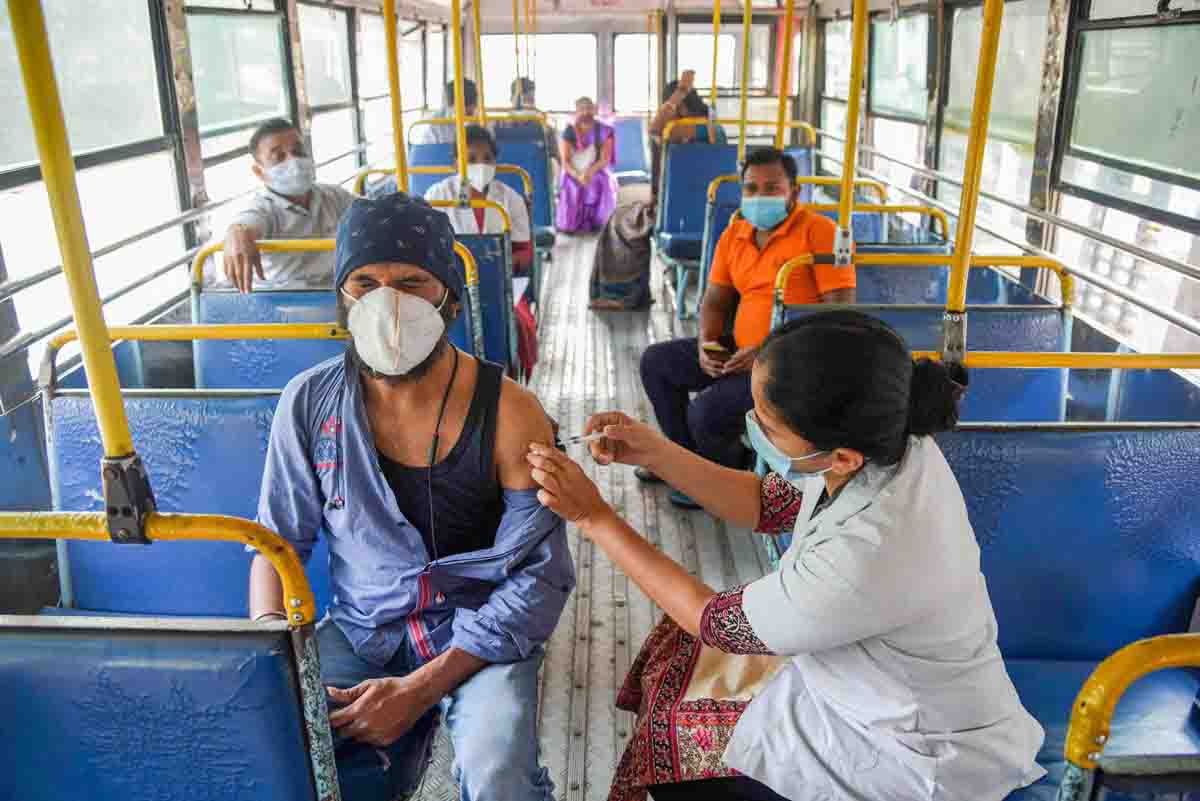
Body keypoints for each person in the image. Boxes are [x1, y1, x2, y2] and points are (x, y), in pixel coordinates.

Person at [527, 311, 1046, 801]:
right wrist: (656, 450)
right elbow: (763, 503)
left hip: (909, 747)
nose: (752, 424)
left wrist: (593, 517)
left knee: (676, 736)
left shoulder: (867, 551)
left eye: (768, 426)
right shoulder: (887, 446)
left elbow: (714, 622)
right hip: (866, 680)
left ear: (842, 455)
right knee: (675, 658)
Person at [248, 194, 573, 801]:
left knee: (498, 771)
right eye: (364, 283)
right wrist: (277, 654)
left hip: (479, 633)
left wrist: (420, 690)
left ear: (447, 295)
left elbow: (538, 578)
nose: (386, 303)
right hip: (365, 627)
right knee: (280, 751)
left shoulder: (509, 411)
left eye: (410, 282)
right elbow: (277, 545)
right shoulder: (310, 403)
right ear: (341, 296)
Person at [638, 147, 857, 508]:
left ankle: (724, 477)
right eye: (751, 188)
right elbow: (715, 298)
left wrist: (768, 351)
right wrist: (707, 343)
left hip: (790, 363)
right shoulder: (736, 231)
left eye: (771, 188)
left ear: (794, 193)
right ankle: (685, 463)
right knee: (657, 362)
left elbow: (840, 312)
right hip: (739, 349)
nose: (759, 197)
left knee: (707, 411)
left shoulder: (820, 232)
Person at [589, 71, 725, 310]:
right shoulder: (716, 127)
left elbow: (655, 129)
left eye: (669, 104)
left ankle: (622, 293)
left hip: (680, 216)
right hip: (711, 211)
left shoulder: (685, 129)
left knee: (620, 222)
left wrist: (678, 94)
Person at [425, 125, 538, 378]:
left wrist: (499, 264)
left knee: (520, 325)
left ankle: (509, 377)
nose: (480, 164)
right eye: (471, 158)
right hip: (449, 286)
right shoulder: (437, 196)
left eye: (487, 158)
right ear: (456, 163)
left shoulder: (510, 199)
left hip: (502, 286)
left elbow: (524, 252)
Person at [217, 118, 356, 292]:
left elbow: (371, 214)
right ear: (259, 172)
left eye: (298, 151)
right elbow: (247, 222)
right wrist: (237, 231)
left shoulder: (334, 196)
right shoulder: (264, 208)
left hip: (335, 292)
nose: (294, 161)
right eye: (279, 156)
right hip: (284, 303)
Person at [556, 97, 617, 234]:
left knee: (601, 180)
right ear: (576, 112)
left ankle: (599, 223)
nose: (585, 112)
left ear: (595, 110)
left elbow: (604, 159)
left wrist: (588, 173)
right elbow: (565, 161)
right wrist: (578, 175)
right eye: (581, 109)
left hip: (596, 169)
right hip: (573, 170)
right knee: (570, 182)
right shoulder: (569, 131)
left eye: (589, 108)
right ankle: (572, 223)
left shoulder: (604, 131)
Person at [492, 77, 558, 160]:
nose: (527, 104)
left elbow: (554, 158)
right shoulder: (497, 124)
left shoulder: (544, 128)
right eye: (524, 100)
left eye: (530, 100)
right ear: (512, 99)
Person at [411, 79, 481, 145]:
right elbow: (428, 152)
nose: (465, 114)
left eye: (469, 113)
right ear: (449, 105)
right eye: (463, 106)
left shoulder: (482, 119)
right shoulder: (435, 123)